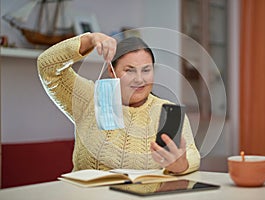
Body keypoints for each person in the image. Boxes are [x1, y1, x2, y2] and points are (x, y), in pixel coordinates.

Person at [37, 32, 200, 175]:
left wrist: (181, 165)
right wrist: (90, 39)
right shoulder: (89, 98)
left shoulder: (167, 112)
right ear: (111, 70)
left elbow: (192, 155)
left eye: (146, 70)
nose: (139, 79)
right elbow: (47, 67)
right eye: (129, 70)